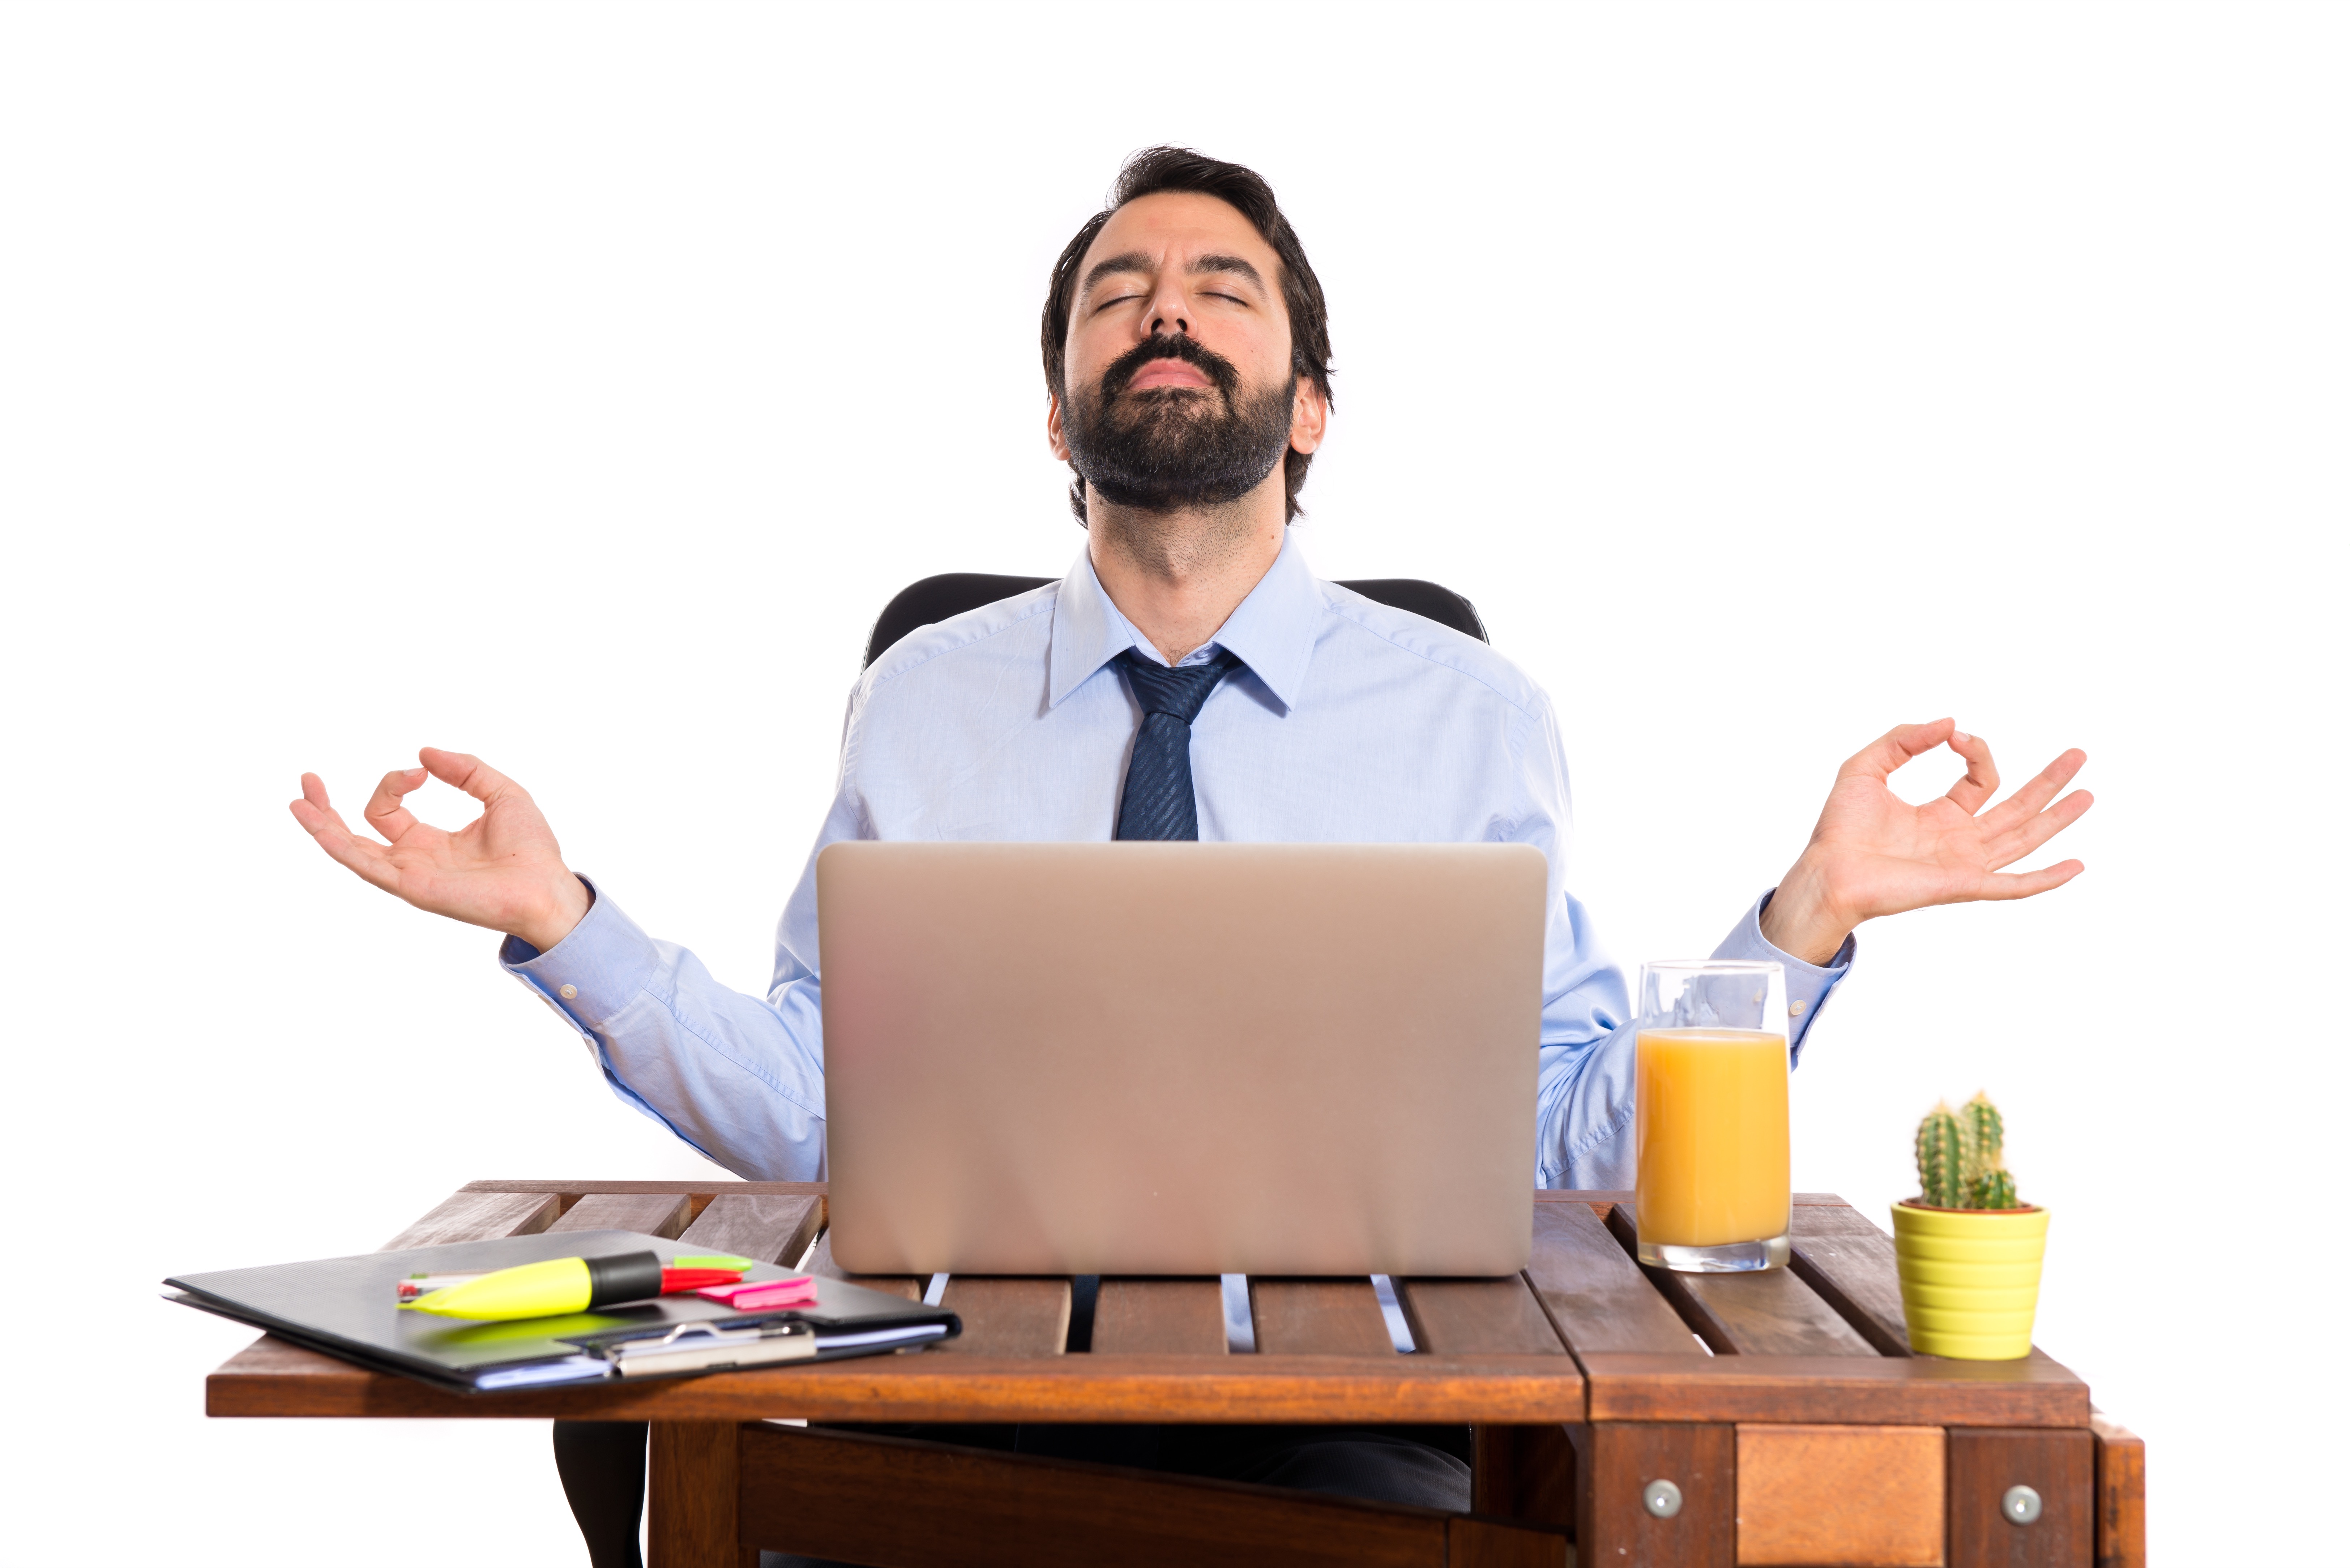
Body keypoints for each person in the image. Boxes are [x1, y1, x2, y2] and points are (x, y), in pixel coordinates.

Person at [291, 148, 2092, 1563]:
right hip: (942, 1397)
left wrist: (1807, 916)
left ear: (1307, 405)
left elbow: (1556, 1141)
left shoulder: (1472, 710)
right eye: (1115, 295)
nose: (1165, 312)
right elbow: (821, 1108)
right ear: (1059, 412)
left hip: (1349, 1412)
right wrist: (561, 920)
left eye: (1220, 289)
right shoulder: (923, 695)